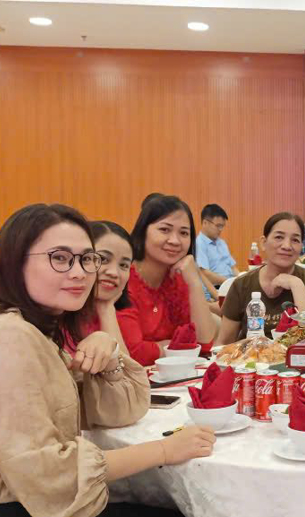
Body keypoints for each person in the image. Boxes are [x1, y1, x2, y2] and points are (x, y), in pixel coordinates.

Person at [0, 204, 214, 517]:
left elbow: (121, 413)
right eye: (59, 258)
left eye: (87, 259)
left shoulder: (45, 333)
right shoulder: (12, 336)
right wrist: (164, 450)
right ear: (13, 263)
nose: (79, 272)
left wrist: (110, 354)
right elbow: (44, 472)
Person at [117, 195, 217, 366]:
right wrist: (178, 347)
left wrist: (194, 282)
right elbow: (132, 353)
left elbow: (204, 344)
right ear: (143, 231)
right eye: (164, 230)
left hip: (174, 377)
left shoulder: (178, 281)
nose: (175, 241)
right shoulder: (124, 279)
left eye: (184, 233)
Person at [217, 212, 305, 342]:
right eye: (279, 237)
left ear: (301, 246)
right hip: (252, 353)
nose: (287, 246)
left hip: (298, 354)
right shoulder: (242, 284)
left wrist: (296, 284)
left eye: (295, 240)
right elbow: (223, 343)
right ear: (263, 243)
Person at [63, 221, 135, 357]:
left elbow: (125, 369)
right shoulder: (57, 314)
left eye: (124, 265)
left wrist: (106, 310)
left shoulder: (119, 314)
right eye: (103, 259)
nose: (114, 273)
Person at [196, 203, 238, 288]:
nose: (221, 229)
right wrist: (230, 282)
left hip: (229, 285)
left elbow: (233, 267)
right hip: (215, 288)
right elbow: (205, 273)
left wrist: (240, 278)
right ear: (205, 223)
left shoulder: (222, 243)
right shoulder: (199, 244)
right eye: (218, 226)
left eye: (222, 226)